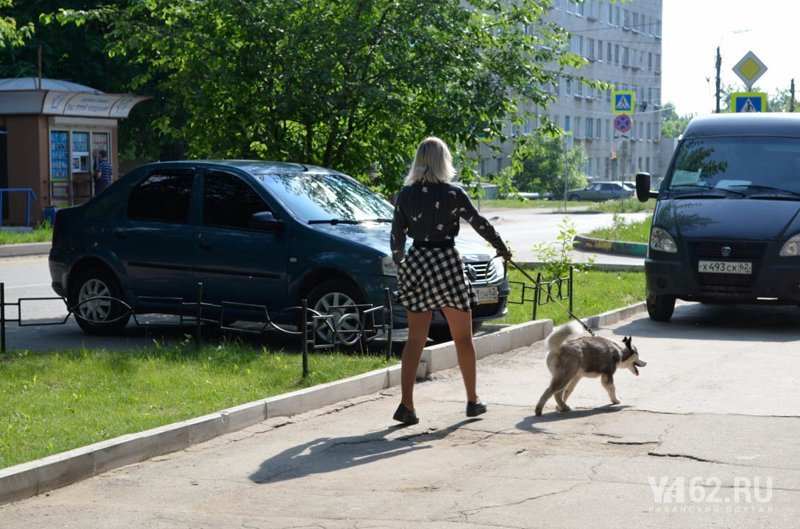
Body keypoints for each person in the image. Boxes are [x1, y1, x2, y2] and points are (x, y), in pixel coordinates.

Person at [390, 137, 512, 425]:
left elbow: (396, 237)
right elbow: (479, 222)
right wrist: (501, 247)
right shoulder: (454, 194)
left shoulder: (405, 195)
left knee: (416, 339)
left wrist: (401, 265)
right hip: (447, 262)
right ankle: (472, 400)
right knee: (463, 338)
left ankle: (406, 406)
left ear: (419, 160)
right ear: (444, 161)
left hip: (418, 262)